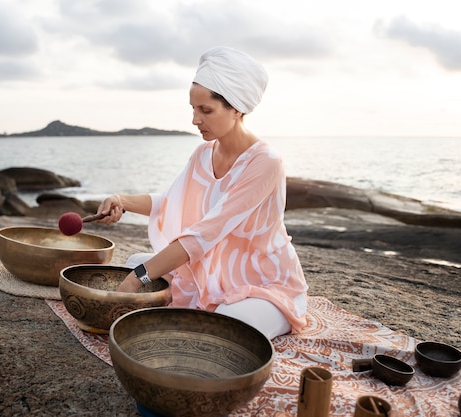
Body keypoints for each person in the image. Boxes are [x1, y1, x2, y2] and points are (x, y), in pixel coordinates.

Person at [96, 46, 308, 339]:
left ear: (236, 108)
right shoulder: (203, 153)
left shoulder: (265, 161)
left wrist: (139, 277)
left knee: (222, 325)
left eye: (205, 110)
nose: (195, 120)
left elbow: (205, 234)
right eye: (193, 109)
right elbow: (170, 203)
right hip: (213, 271)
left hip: (264, 282)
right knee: (134, 262)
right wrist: (121, 200)